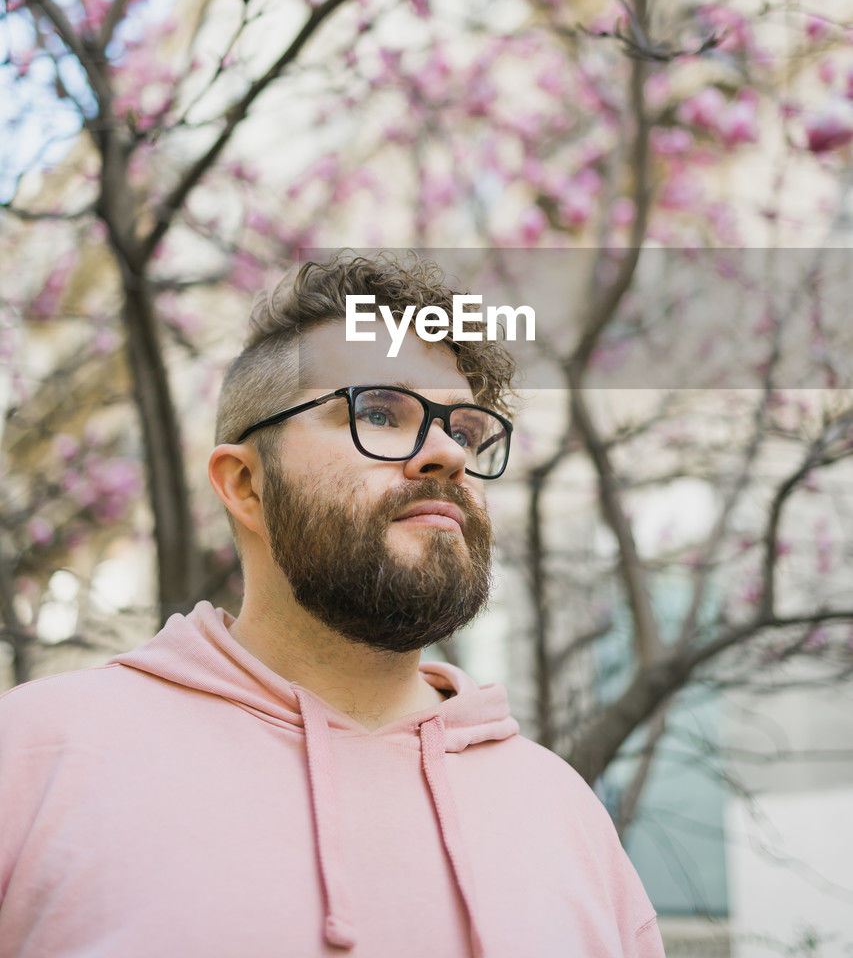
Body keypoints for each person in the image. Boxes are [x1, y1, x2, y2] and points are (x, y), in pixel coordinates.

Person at [0, 253, 665, 958]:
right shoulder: (35, 758)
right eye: (378, 411)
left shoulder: (563, 815)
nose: (446, 453)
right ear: (246, 485)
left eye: (466, 431)